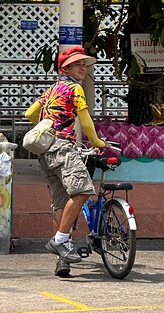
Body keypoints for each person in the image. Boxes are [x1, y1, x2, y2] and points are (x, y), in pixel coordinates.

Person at [24, 46, 106, 277]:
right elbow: (86, 122)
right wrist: (98, 143)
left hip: (45, 151)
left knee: (60, 203)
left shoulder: (52, 89)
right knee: (82, 191)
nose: (83, 67)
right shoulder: (73, 88)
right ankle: (60, 240)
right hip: (63, 147)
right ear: (65, 67)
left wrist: (49, 123)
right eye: (78, 63)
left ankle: (63, 260)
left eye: (84, 64)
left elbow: (30, 113)